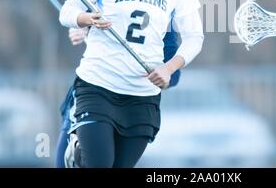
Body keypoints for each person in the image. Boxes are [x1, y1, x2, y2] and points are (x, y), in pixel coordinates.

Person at [58, 0, 204, 168]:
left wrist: (169, 68)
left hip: (142, 96)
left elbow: (195, 37)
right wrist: (86, 19)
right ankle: (76, 154)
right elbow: (67, 12)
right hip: (98, 86)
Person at [54, 27, 182, 168]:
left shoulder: (167, 18)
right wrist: (83, 26)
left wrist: (165, 74)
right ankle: (77, 153)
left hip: (134, 110)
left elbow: (174, 75)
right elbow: (79, 15)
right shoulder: (108, 6)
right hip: (94, 96)